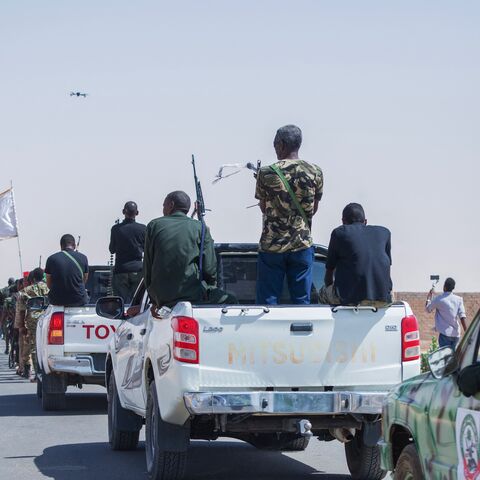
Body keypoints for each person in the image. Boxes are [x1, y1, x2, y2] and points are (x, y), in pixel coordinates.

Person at [255, 124, 323, 305]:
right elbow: (313, 209)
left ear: (282, 144)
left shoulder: (266, 173)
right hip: (302, 244)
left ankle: (267, 333)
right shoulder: (315, 171)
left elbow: (263, 207)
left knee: (267, 303)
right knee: (302, 301)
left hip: (272, 246)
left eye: (275, 144)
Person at [143, 191, 235, 308]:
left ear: (171, 205)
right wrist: (210, 288)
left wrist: (154, 299)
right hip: (192, 295)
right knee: (231, 301)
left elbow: (147, 265)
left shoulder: (154, 225)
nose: (163, 209)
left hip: (161, 297)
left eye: (164, 205)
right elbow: (209, 268)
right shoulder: (200, 228)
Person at [319, 203, 393, 306]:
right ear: (365, 221)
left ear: (343, 221)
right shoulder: (385, 232)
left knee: (321, 293)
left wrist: (332, 290)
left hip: (349, 299)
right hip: (384, 299)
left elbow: (329, 274)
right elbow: (387, 269)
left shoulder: (339, 233)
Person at [109, 201, 146, 304]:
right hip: (138, 269)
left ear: (123, 212)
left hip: (121, 269)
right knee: (138, 302)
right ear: (137, 213)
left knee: (121, 302)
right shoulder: (143, 229)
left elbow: (112, 249)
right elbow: (147, 248)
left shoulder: (116, 229)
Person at [17, 268, 49, 380]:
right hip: (49, 320)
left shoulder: (26, 291)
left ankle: (38, 374)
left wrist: (21, 326)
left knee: (35, 347)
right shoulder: (50, 288)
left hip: (33, 322)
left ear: (33, 278)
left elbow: (21, 311)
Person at [45, 234, 89, 306]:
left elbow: (49, 284)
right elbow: (84, 279)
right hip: (79, 300)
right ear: (74, 245)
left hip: (57, 300)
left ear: (61, 246)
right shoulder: (83, 258)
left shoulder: (51, 259)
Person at [426, 277, 467, 349]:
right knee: (454, 357)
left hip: (445, 334)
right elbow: (462, 316)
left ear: (444, 287)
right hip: (456, 334)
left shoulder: (439, 299)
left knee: (445, 358)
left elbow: (428, 309)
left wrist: (429, 298)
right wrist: (467, 331)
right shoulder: (459, 299)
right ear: (453, 288)